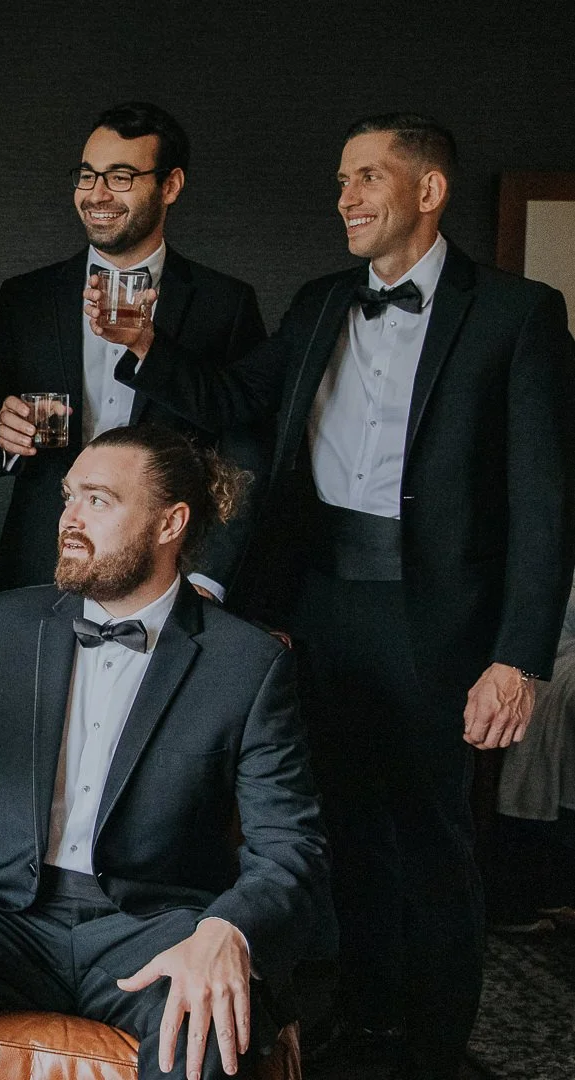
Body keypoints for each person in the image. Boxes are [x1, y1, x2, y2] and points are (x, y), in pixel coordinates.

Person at [105, 113, 575, 1076]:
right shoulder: (320, 302)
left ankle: (435, 1047)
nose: (344, 198)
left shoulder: (516, 314)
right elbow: (237, 399)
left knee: (432, 838)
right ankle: (363, 1021)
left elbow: (545, 501)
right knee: (338, 828)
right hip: (313, 607)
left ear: (428, 191)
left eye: (365, 177)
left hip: (433, 618)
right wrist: (146, 348)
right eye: (340, 180)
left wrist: (519, 657)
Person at [0, 425, 329, 1080]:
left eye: (98, 501)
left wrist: (228, 932)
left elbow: (290, 846)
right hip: (1, 913)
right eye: (68, 497)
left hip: (151, 926)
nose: (69, 519)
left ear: (170, 523)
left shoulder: (245, 662)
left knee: (207, 1017)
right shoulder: (8, 623)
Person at [0, 101, 267, 598]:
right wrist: (3, 435)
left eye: (121, 177)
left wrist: (208, 578)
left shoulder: (225, 303)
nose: (97, 194)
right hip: (39, 565)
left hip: (170, 568)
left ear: (170, 186)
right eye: (87, 176)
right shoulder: (25, 298)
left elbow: (247, 453)